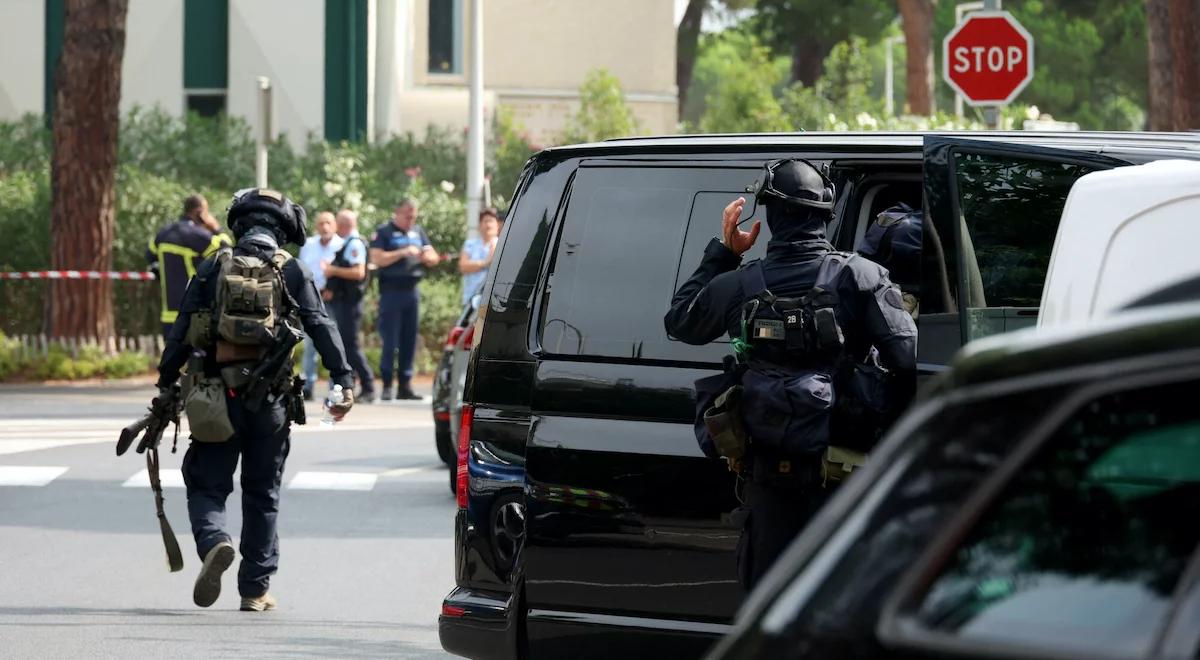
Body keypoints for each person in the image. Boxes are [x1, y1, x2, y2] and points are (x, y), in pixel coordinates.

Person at [663, 159, 917, 590]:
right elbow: (909, 361)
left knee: (769, 614)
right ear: (825, 214)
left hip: (768, 488)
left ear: (771, 216)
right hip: (845, 482)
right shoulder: (861, 276)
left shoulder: (738, 285)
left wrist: (725, 252)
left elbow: (679, 322)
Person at [156, 188, 355, 612]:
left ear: (240, 225)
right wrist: (344, 379)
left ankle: (214, 541)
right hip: (271, 402)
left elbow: (181, 328)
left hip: (214, 398)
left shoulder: (214, 266)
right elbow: (321, 324)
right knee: (263, 492)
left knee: (207, 483)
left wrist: (165, 382)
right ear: (283, 231)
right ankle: (255, 590)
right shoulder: (292, 270)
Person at [369, 198, 441, 400]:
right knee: (390, 340)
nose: (411, 220)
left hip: (412, 291)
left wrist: (428, 256)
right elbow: (376, 258)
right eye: (407, 216)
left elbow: (433, 256)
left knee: (409, 340)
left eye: (414, 216)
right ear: (397, 213)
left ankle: (405, 386)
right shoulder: (384, 232)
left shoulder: (418, 232)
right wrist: (402, 252)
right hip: (391, 292)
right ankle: (386, 385)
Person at [146, 194, 231, 337]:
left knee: (172, 358)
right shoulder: (197, 235)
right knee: (197, 358)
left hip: (169, 314)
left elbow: (150, 255)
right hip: (193, 313)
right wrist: (216, 228)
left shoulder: (163, 233)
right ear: (200, 213)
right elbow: (227, 249)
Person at [323, 209, 376, 402]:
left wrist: (332, 270)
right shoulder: (347, 244)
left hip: (350, 303)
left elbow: (358, 272)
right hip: (343, 301)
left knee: (351, 346)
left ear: (343, 225)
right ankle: (349, 387)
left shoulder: (354, 244)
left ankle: (369, 386)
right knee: (346, 345)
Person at [297, 211, 344, 400]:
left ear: (334, 226)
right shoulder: (308, 245)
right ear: (316, 226)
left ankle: (337, 387)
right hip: (311, 300)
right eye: (321, 223)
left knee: (334, 343)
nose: (325, 226)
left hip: (334, 301)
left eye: (328, 223)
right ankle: (308, 385)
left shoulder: (341, 245)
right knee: (310, 345)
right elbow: (301, 271)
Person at [458, 207, 502, 306]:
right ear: (479, 225)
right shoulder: (470, 244)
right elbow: (463, 266)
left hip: (490, 300)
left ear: (497, 225)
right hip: (470, 298)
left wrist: (474, 265)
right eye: (485, 221)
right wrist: (485, 263)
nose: (488, 225)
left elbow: (493, 262)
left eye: (491, 221)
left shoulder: (500, 244)